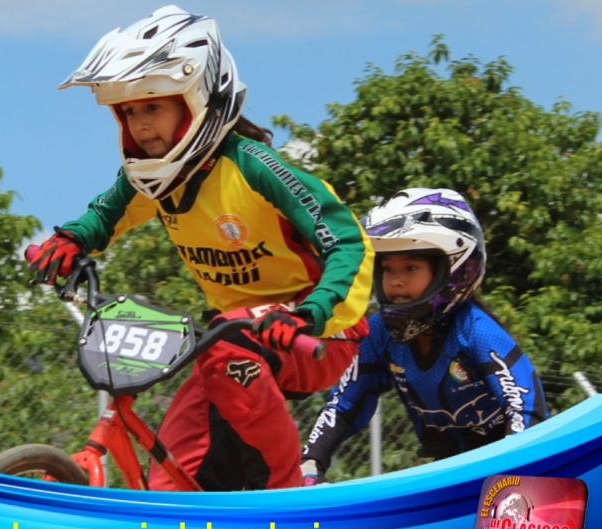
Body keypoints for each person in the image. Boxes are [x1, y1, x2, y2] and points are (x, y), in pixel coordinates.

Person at [27, 5, 374, 491]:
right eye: (129, 112)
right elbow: (105, 215)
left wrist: (311, 312)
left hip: (318, 333)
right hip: (230, 338)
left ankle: (287, 497)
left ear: (197, 102)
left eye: (152, 107)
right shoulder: (151, 178)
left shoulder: (254, 167)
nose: (140, 125)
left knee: (226, 346)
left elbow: (349, 243)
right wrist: (69, 240)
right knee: (170, 480)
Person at [301, 188, 550, 485]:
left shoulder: (475, 329)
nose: (396, 280)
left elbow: (528, 409)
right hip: (447, 476)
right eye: (387, 268)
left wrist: (510, 481)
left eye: (411, 267)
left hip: (509, 471)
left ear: (453, 271)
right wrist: (309, 464)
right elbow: (343, 406)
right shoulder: (378, 331)